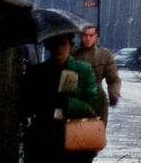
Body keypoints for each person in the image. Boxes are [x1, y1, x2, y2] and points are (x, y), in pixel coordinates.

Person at [21, 33, 99, 163]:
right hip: (43, 142)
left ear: (70, 44)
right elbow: (26, 106)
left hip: (74, 142)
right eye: (54, 44)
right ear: (48, 46)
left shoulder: (83, 70)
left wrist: (67, 103)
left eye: (63, 44)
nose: (59, 49)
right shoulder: (37, 72)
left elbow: (91, 106)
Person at [71, 25, 121, 124]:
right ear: (80, 36)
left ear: (96, 36)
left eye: (91, 35)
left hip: (98, 99)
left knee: (96, 134)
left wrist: (113, 94)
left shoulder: (103, 55)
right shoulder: (73, 55)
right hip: (77, 100)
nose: (88, 39)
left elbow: (113, 78)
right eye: (85, 35)